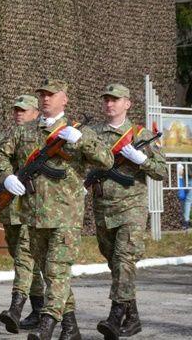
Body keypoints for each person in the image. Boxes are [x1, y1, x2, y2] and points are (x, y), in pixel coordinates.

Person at [0, 79, 113, 340]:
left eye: (51, 94)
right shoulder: (25, 131)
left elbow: (107, 160)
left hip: (66, 215)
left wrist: (82, 142)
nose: (46, 99)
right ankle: (71, 328)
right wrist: (6, 175)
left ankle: (47, 324)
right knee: (52, 275)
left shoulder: (78, 131)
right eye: (43, 95)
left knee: (57, 271)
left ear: (64, 99)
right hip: (34, 216)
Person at [90, 83, 166, 340]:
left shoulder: (140, 135)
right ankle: (133, 318)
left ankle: (115, 317)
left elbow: (161, 171)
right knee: (116, 264)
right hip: (103, 208)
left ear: (127, 104)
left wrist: (142, 160)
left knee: (124, 260)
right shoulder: (93, 134)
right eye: (106, 100)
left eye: (115, 99)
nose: (109, 104)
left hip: (132, 208)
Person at [0, 94, 44, 333]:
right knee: (24, 258)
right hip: (8, 210)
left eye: (24, 110)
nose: (18, 114)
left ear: (36, 113)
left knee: (25, 257)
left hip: (33, 210)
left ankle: (16, 308)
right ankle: (39, 308)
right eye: (16, 110)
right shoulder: (2, 138)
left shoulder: (44, 138)